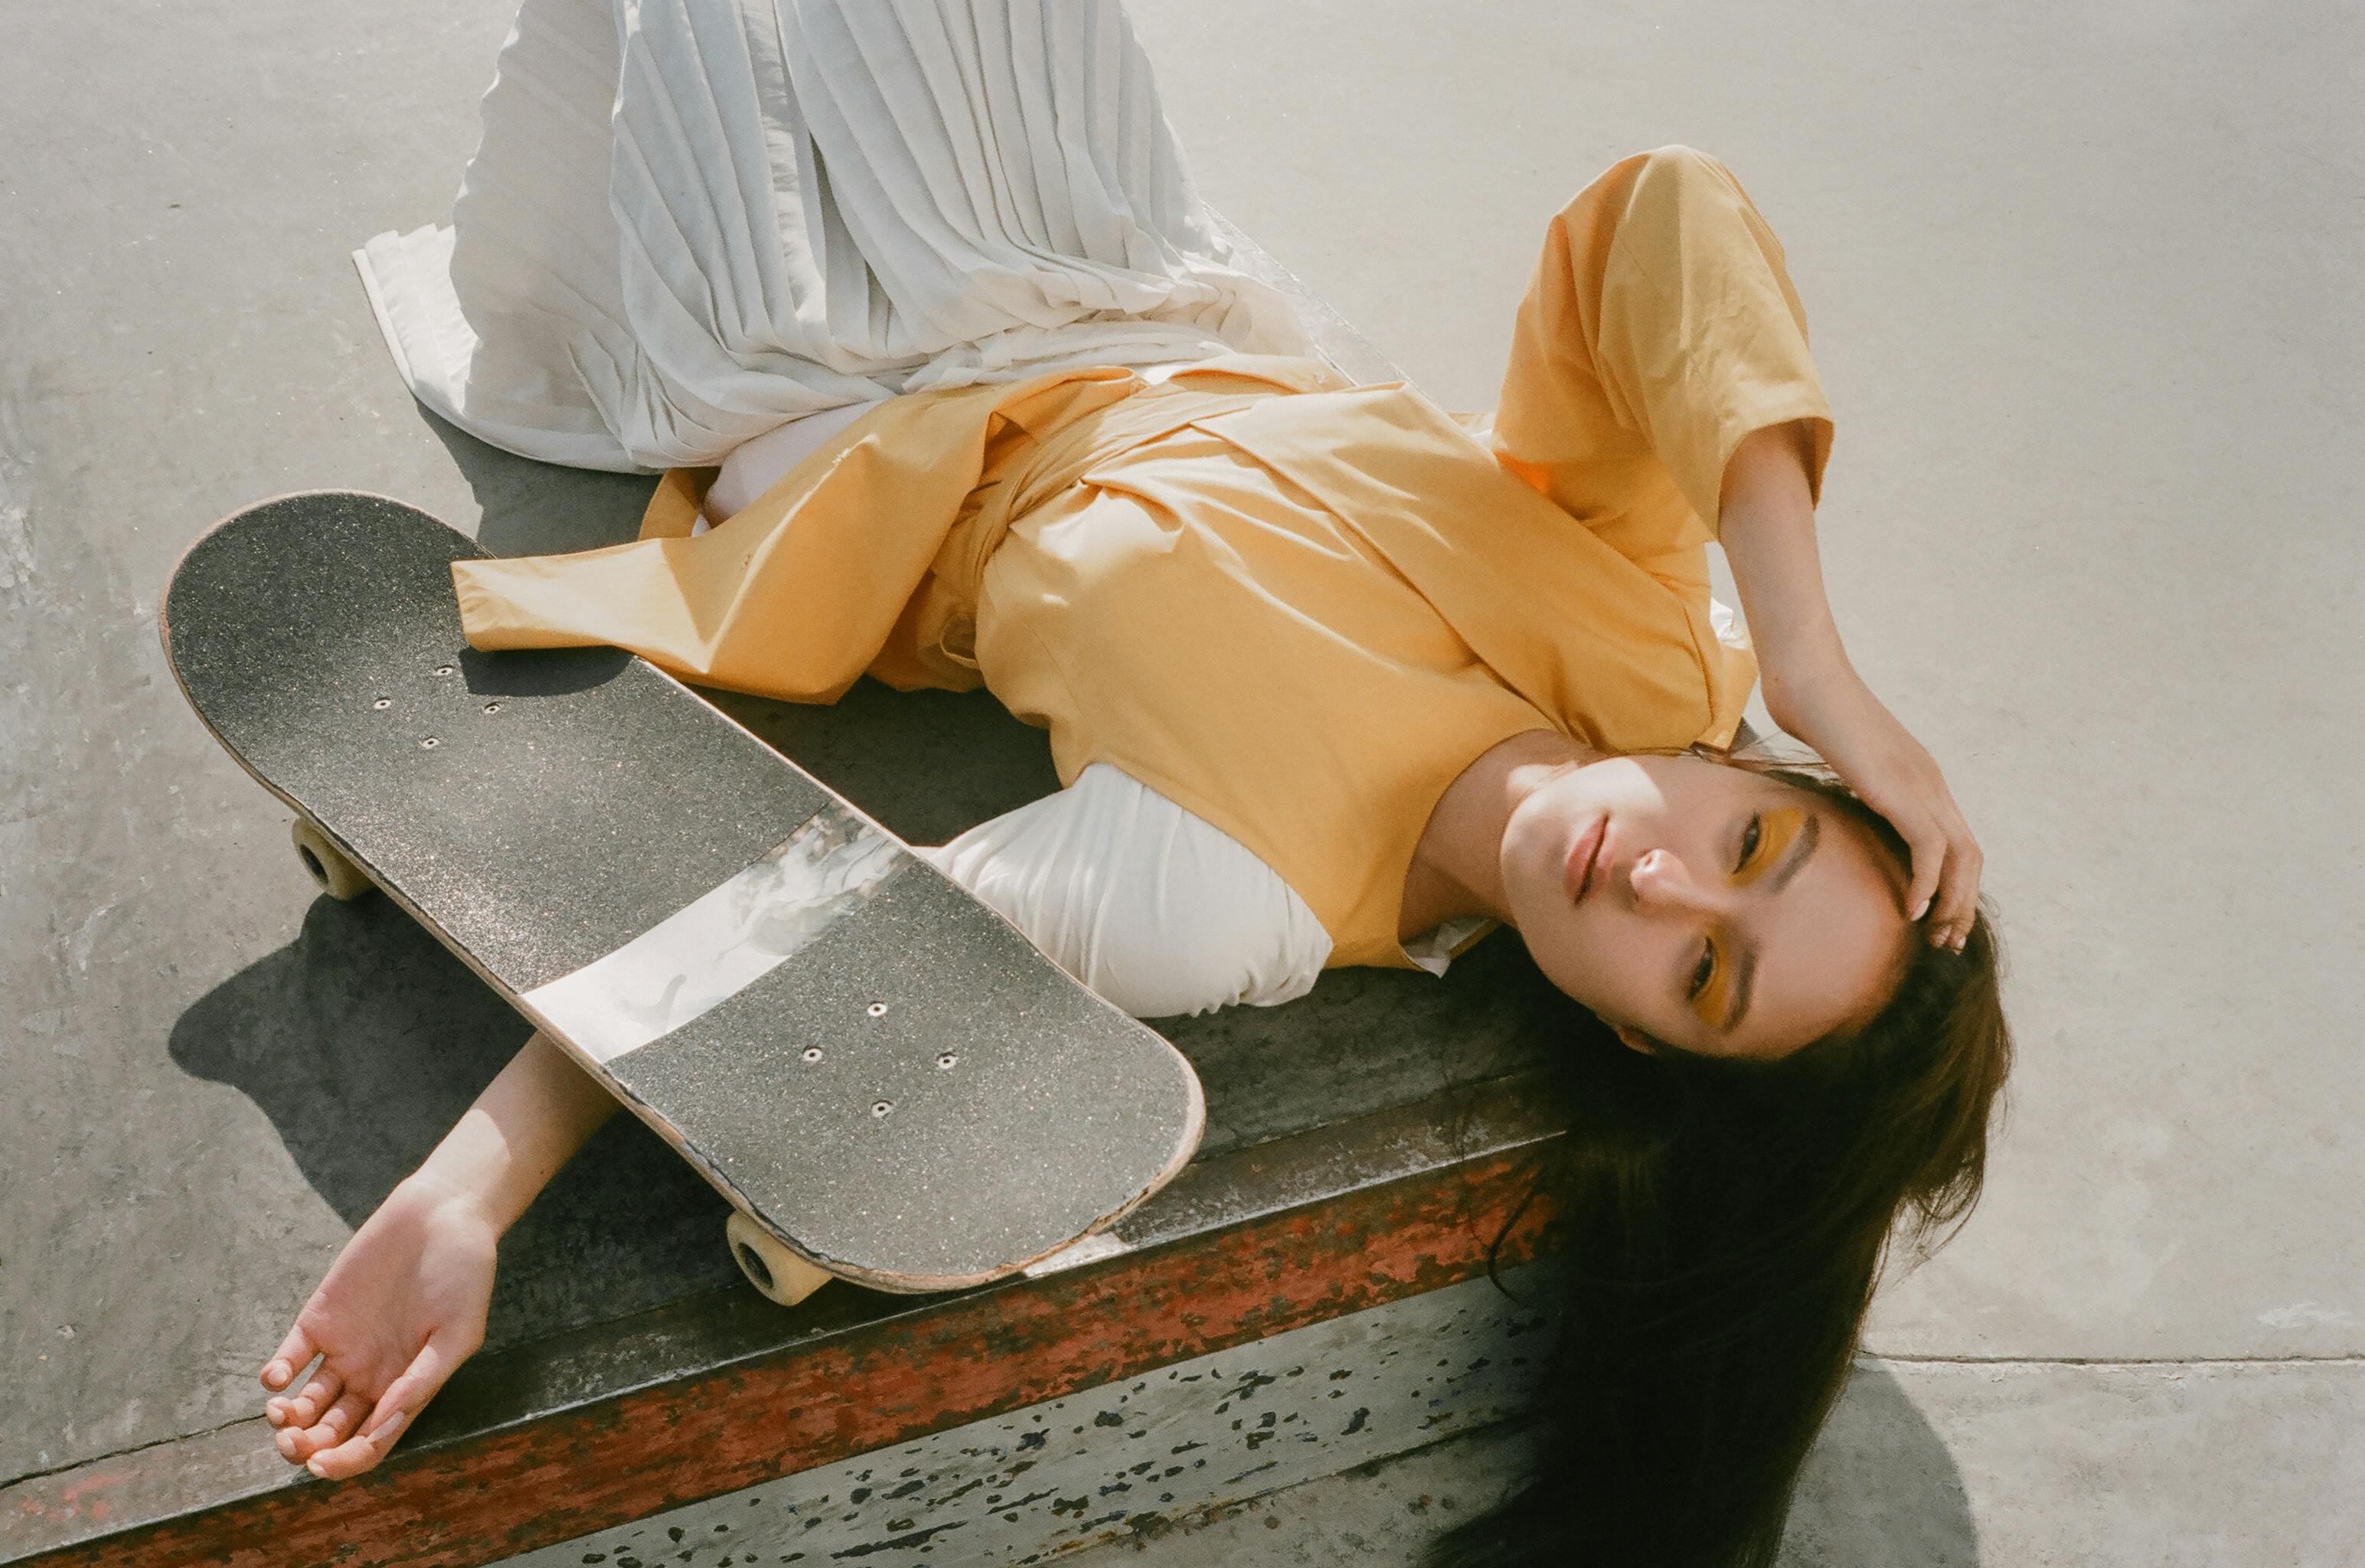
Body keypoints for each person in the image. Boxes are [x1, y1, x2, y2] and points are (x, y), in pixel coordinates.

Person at [267, 3, 2010, 1562]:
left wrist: (461, 1195)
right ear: (1751, 770)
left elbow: (810, 923)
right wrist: (1811, 661)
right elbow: (1666, 212)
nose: (1668, 883)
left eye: (1706, 974)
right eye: (1758, 840)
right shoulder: (1652, 647)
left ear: (1640, 1040)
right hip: (1118, 257)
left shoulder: (1228, 890)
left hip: (856, 368)